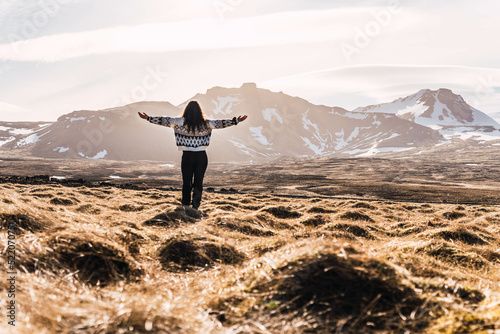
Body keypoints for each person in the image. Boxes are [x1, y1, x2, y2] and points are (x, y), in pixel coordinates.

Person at [138, 101, 247, 210]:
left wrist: (148, 118)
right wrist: (235, 121)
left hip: (187, 156)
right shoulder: (207, 124)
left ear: (186, 110)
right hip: (201, 156)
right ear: (200, 112)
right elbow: (221, 123)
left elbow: (163, 121)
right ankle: (195, 207)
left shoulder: (178, 122)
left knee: (187, 182)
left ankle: (185, 205)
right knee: (198, 182)